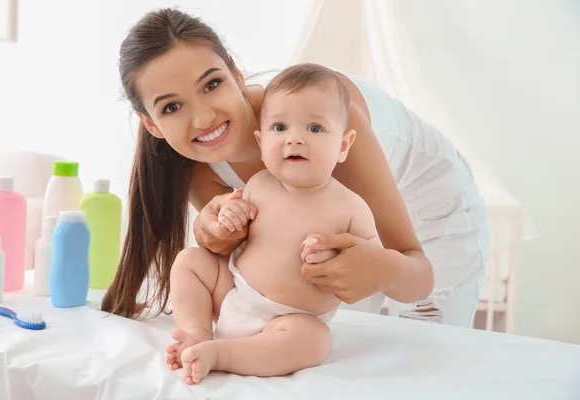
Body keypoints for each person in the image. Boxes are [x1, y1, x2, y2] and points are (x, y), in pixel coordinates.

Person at [101, 8, 488, 330]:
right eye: (171, 107)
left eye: (212, 84)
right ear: (150, 123)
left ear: (236, 73)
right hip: (341, 230)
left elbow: (415, 271)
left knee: (424, 343)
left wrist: (385, 269)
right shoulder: (195, 165)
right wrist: (214, 235)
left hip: (432, 210)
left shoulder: (316, 126)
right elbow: (256, 263)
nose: (202, 118)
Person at [163, 63, 379, 384]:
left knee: (315, 341)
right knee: (190, 261)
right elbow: (235, 239)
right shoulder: (258, 185)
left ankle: (221, 353)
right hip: (235, 293)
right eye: (280, 128)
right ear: (261, 142)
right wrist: (230, 216)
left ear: (343, 145)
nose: (295, 139)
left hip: (291, 320)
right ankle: (196, 332)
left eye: (315, 129)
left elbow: (370, 269)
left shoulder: (350, 208)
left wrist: (338, 260)